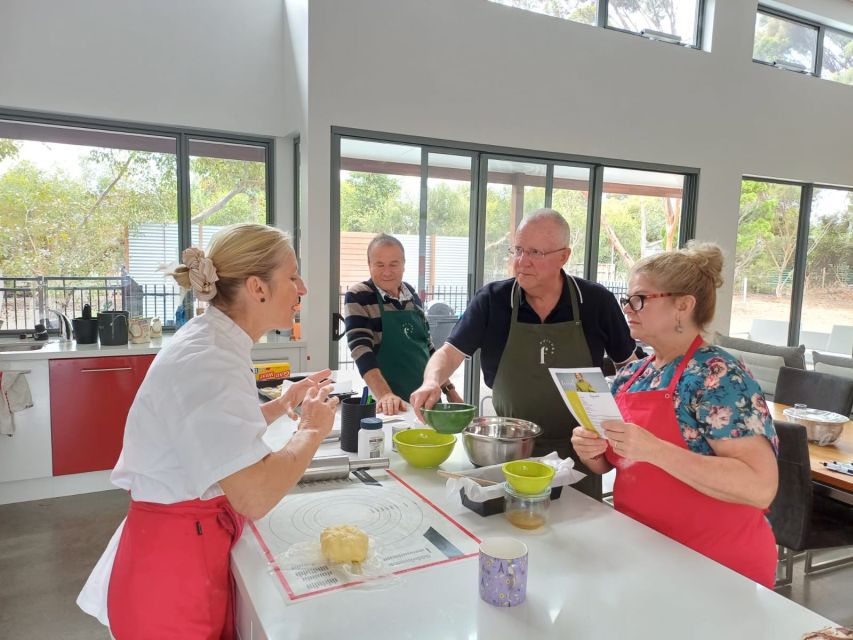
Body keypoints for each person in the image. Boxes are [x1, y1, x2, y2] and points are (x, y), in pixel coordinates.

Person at [77, 224, 339, 638]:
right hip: (172, 577)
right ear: (258, 288)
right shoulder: (207, 360)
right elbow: (254, 494)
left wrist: (280, 406)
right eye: (292, 276)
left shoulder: (214, 341)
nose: (302, 287)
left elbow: (209, 434)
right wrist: (310, 428)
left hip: (185, 550)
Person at [571, 242, 779, 588]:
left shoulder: (718, 374)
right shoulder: (632, 375)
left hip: (717, 567)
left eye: (640, 299)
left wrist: (654, 450)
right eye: (627, 299)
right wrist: (592, 451)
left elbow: (759, 486)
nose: (627, 308)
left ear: (683, 305)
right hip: (643, 553)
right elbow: (612, 464)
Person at [410, 209, 637, 499]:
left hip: (581, 453)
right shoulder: (493, 300)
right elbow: (449, 353)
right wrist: (431, 381)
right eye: (517, 250)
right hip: (507, 452)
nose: (521, 262)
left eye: (535, 253)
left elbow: (631, 370)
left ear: (564, 256)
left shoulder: (595, 301)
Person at [344, 233, 463, 415]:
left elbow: (428, 349)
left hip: (430, 401)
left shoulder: (412, 295)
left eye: (394, 264)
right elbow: (361, 350)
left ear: (403, 265)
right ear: (369, 266)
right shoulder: (359, 296)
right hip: (393, 407)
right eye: (380, 265)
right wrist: (385, 395)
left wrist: (450, 391)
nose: (387, 271)